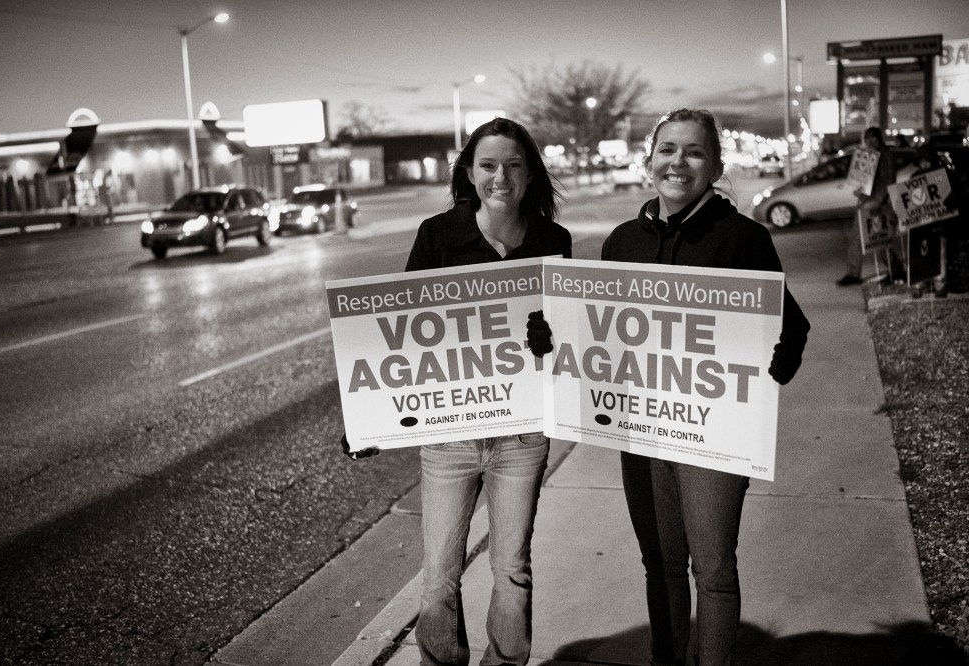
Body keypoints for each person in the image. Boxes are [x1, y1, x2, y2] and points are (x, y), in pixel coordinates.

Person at [527, 108, 810, 666]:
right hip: (642, 430)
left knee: (713, 569)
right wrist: (549, 333)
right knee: (659, 564)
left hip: (713, 435)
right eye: (668, 150)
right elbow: (596, 335)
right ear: (650, 159)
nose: (678, 162)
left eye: (694, 151)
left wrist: (764, 378)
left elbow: (791, 325)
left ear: (715, 165)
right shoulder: (622, 241)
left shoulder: (742, 239)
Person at [346, 117, 572, 666]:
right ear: (469, 172)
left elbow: (573, 342)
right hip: (451, 436)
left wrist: (553, 334)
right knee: (439, 576)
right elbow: (399, 333)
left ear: (531, 173)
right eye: (489, 165)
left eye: (514, 165)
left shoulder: (552, 241)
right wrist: (367, 417)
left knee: (511, 569)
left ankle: (506, 661)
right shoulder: (438, 235)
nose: (501, 177)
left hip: (522, 435)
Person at [837, 126, 900, 286]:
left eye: (874, 138)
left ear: (879, 138)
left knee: (880, 241)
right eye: (867, 138)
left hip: (880, 205)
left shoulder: (886, 156)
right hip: (865, 203)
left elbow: (888, 181)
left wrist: (877, 200)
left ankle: (896, 271)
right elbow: (863, 181)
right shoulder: (866, 156)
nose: (870, 141)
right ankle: (853, 273)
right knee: (856, 239)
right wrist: (860, 192)